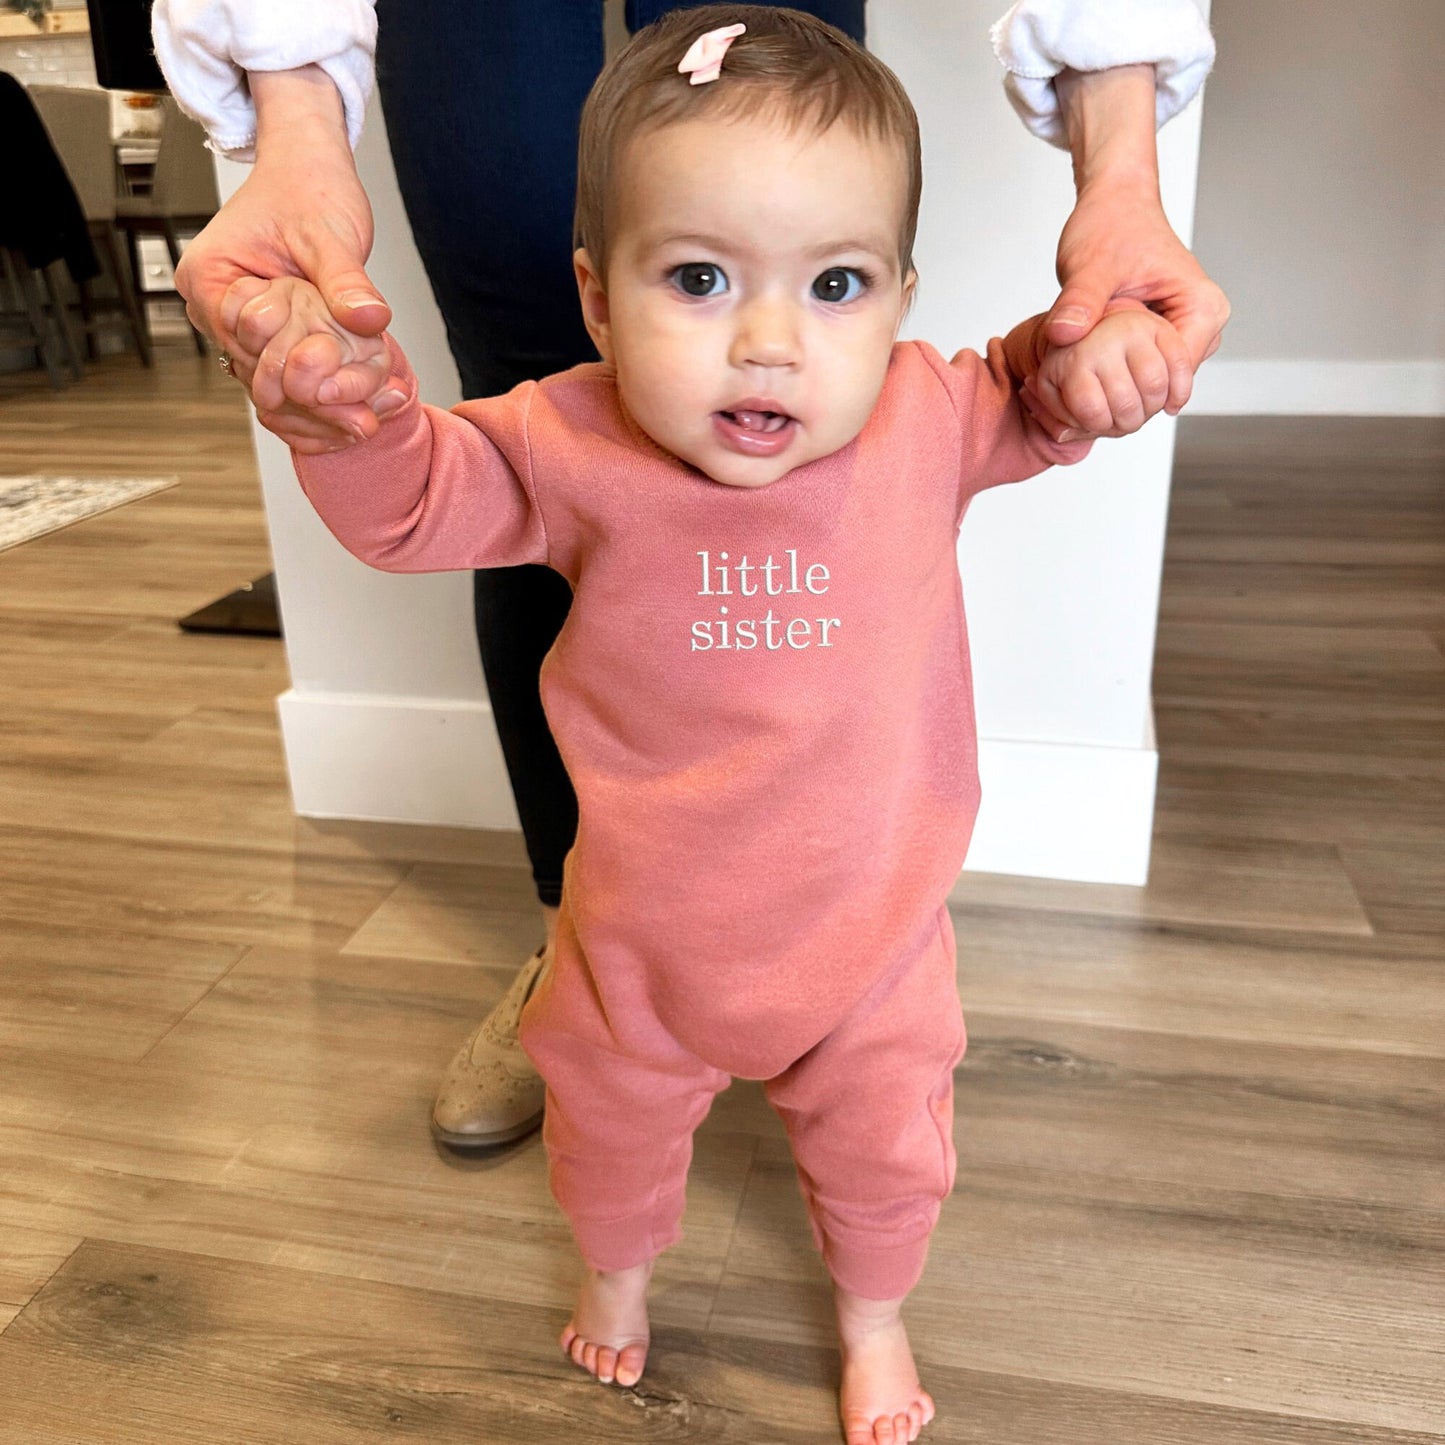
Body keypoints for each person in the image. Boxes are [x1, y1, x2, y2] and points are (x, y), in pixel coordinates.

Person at [223, 10, 1199, 1440]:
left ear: (898, 294)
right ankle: (616, 1274)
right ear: (600, 301)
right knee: (605, 1133)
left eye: (836, 284)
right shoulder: (566, 437)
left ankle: (873, 1314)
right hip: (634, 943)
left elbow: (1044, 395)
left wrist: (1098, 363)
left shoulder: (932, 413)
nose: (766, 342)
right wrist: (344, 426)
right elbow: (419, 500)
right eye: (695, 277)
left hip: (868, 942)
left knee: (887, 1156)